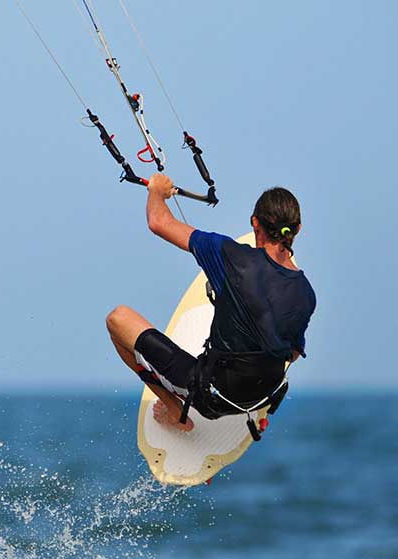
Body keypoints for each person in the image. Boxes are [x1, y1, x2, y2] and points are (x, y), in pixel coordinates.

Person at [106, 174, 316, 431]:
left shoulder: (229, 255)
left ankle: (175, 412)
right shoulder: (306, 292)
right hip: (262, 394)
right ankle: (256, 410)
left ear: (254, 222)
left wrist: (156, 191)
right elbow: (291, 355)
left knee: (117, 319)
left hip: (211, 395)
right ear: (298, 229)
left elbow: (159, 221)